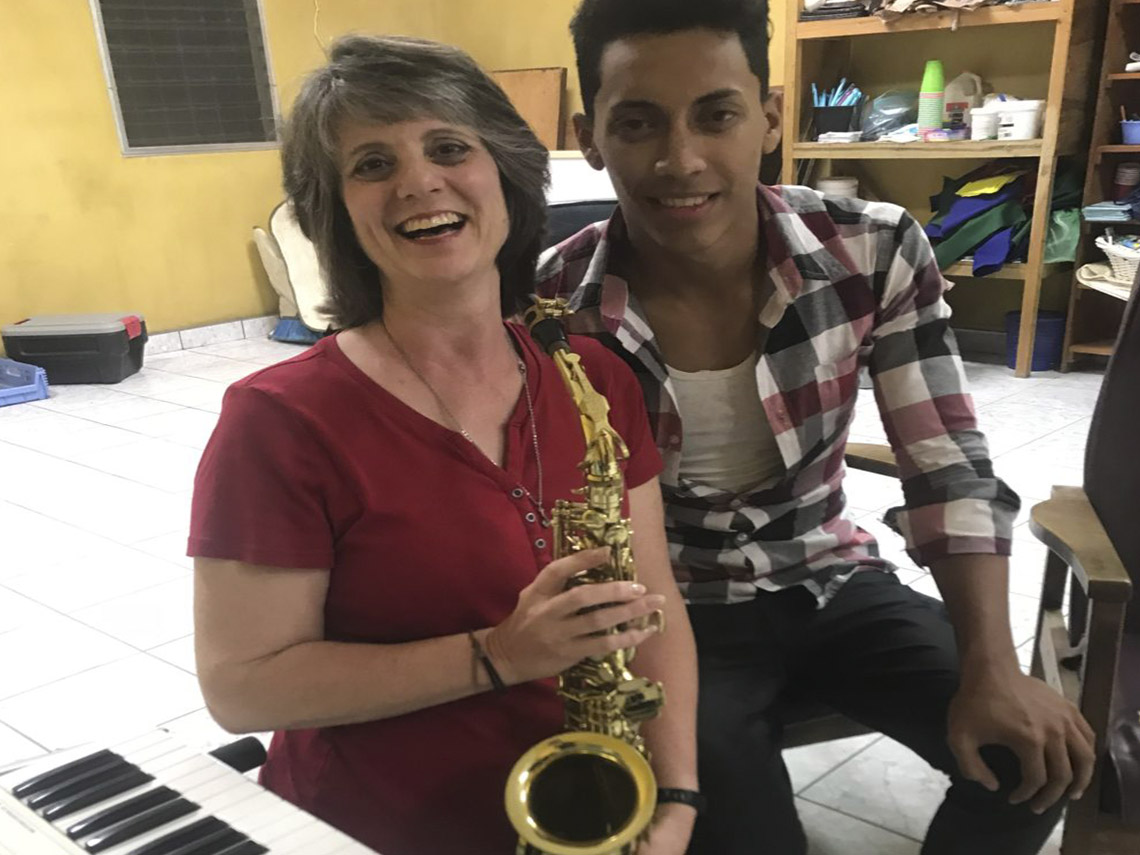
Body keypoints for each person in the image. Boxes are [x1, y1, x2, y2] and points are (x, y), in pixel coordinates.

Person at [536, 2, 1096, 853]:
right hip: (670, 611)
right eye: (638, 123)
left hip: (829, 569)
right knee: (738, 833)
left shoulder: (871, 250)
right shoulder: (553, 307)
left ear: (767, 117)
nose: (680, 159)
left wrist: (993, 666)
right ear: (589, 136)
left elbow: (947, 461)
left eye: (716, 115)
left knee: (1030, 759)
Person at [189, 35, 698, 855]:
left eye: (449, 147)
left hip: (592, 801)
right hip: (371, 827)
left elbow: (657, 606)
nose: (419, 182)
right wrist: (495, 654)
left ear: (504, 172)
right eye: (371, 165)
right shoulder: (278, 420)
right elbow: (241, 688)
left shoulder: (594, 376)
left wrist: (673, 801)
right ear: (339, 213)